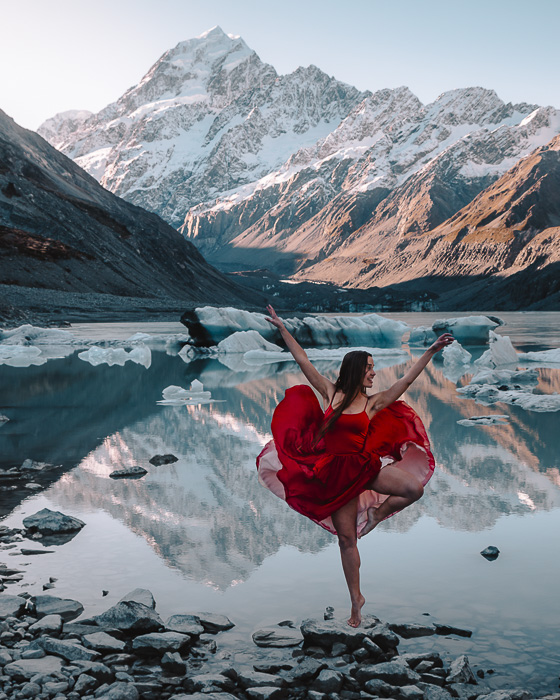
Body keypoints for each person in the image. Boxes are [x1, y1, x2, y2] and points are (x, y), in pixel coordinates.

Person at [256, 305, 454, 627]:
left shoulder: (373, 403)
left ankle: (377, 513)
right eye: (370, 368)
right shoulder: (331, 393)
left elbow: (404, 381)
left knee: (412, 489)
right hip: (334, 476)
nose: (374, 373)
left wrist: (430, 351)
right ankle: (356, 603)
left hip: (365, 468)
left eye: (374, 368)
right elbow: (303, 360)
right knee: (347, 540)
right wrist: (282, 328)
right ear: (356, 370)